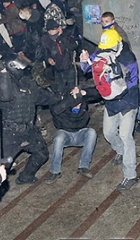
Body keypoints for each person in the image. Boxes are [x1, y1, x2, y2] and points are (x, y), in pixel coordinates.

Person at [80, 29, 139, 191]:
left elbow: (133, 81)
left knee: (125, 136)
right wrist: (85, 61)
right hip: (112, 102)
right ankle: (121, 151)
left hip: (127, 101)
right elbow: (87, 69)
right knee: (108, 133)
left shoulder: (128, 58)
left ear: (117, 44)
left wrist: (117, 81)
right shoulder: (103, 50)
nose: (104, 51)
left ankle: (130, 175)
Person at [0, 52, 62, 184]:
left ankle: (26, 176)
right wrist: (3, 72)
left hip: (28, 130)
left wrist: (60, 97)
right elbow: (6, 95)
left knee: (41, 154)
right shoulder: (4, 85)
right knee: (0, 168)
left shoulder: (26, 83)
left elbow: (42, 97)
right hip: (10, 133)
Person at [45, 86, 99, 184]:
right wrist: (71, 99)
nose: (78, 106)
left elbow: (98, 93)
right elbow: (55, 110)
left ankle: (84, 167)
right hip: (65, 134)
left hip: (80, 133)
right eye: (75, 104)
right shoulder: (63, 106)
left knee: (91, 132)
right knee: (59, 138)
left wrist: (83, 92)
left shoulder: (83, 103)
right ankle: (55, 171)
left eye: (79, 104)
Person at [41, 19, 79, 95]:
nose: (52, 33)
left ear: (59, 28)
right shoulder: (45, 39)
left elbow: (74, 46)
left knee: (73, 90)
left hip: (70, 66)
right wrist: (48, 59)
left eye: (54, 30)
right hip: (57, 69)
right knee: (60, 91)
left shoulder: (67, 35)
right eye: (50, 31)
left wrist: (61, 37)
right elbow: (44, 52)